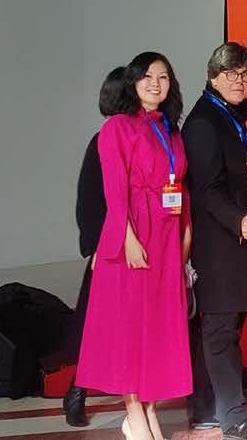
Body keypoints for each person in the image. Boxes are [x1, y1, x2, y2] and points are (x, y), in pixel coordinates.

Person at [77, 52, 192, 440]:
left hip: (167, 236)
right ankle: (133, 411)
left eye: (164, 77)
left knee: (158, 329)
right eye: (148, 77)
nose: (156, 84)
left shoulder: (171, 130)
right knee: (130, 329)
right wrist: (127, 238)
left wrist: (186, 233)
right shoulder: (116, 127)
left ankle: (150, 410)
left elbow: (180, 186)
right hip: (134, 234)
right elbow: (115, 191)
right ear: (133, 82)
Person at [183, 42, 247, 440]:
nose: (239, 80)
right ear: (212, 77)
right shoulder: (205, 122)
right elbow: (207, 190)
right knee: (220, 332)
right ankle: (234, 417)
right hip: (220, 248)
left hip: (239, 245)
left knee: (225, 330)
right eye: (230, 74)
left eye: (244, 74)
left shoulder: (233, 116)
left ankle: (207, 407)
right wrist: (239, 220)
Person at [62, 67, 131, 428]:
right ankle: (77, 390)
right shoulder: (103, 139)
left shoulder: (146, 137)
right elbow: (88, 201)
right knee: (96, 326)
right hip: (108, 248)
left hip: (139, 245)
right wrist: (95, 247)